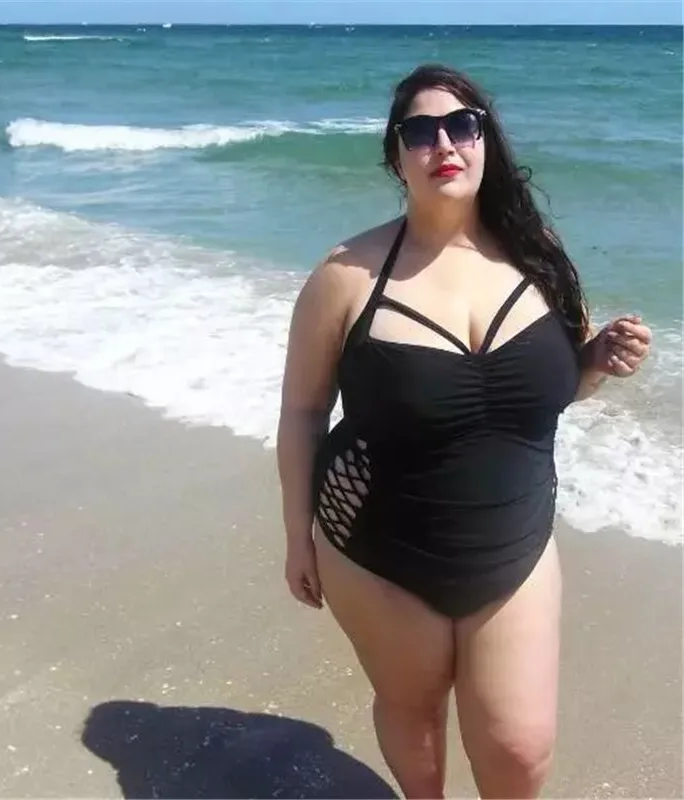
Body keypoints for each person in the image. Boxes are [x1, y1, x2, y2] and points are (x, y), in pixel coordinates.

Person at [275, 64, 652, 800]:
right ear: (396, 157)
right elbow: (302, 412)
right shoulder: (346, 277)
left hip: (512, 537)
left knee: (518, 748)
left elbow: (544, 394)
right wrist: (297, 536)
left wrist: (597, 362)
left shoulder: (539, 256)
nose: (443, 144)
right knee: (414, 715)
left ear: (485, 140)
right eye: (419, 131)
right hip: (375, 543)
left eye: (461, 125)